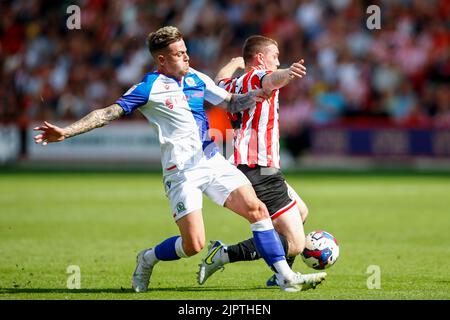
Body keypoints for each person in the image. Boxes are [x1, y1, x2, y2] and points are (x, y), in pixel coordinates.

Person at [33, 26, 326, 292]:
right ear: (161, 59)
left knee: (257, 210)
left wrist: (262, 92)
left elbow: (231, 101)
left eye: (186, 51)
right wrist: (65, 132)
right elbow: (107, 113)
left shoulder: (196, 77)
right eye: (178, 54)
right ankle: (147, 258)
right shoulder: (148, 88)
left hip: (212, 160)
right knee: (194, 244)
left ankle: (285, 276)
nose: (186, 57)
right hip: (181, 171)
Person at [197, 35, 312, 288]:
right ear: (260, 58)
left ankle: (277, 274)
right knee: (296, 243)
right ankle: (227, 255)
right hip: (260, 168)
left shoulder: (235, 83)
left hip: (250, 165)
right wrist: (289, 72)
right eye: (275, 55)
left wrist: (232, 62)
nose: (278, 60)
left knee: (301, 211)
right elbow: (271, 79)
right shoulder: (255, 77)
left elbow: (219, 81)